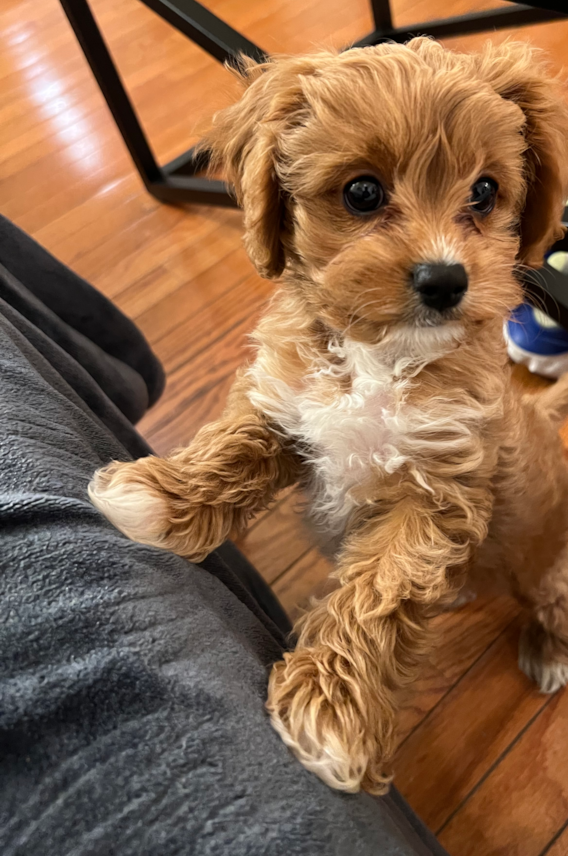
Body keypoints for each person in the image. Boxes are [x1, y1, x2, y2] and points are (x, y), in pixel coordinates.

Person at [0, 214, 447, 856]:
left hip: (512, 542)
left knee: (524, 569)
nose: (443, 256)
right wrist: (208, 485)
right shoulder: (305, 327)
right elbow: (275, 425)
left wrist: (356, 659)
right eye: (364, 194)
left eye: (481, 198)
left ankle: (519, 619)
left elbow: (437, 511)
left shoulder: (466, 373)